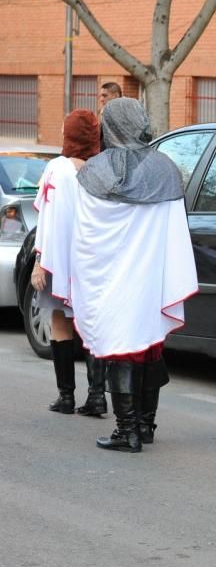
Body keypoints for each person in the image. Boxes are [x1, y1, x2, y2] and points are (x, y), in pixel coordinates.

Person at [70, 98, 198, 452]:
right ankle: (144, 426)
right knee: (150, 346)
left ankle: (126, 430)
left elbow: (86, 231)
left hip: (111, 276)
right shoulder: (167, 169)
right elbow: (174, 228)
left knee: (122, 347)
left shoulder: (93, 172)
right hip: (152, 276)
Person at [31, 109, 106, 416]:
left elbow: (47, 216)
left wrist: (40, 260)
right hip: (94, 259)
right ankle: (97, 396)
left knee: (60, 320)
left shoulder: (56, 168)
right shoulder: (102, 168)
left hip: (59, 258)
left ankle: (65, 397)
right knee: (93, 327)